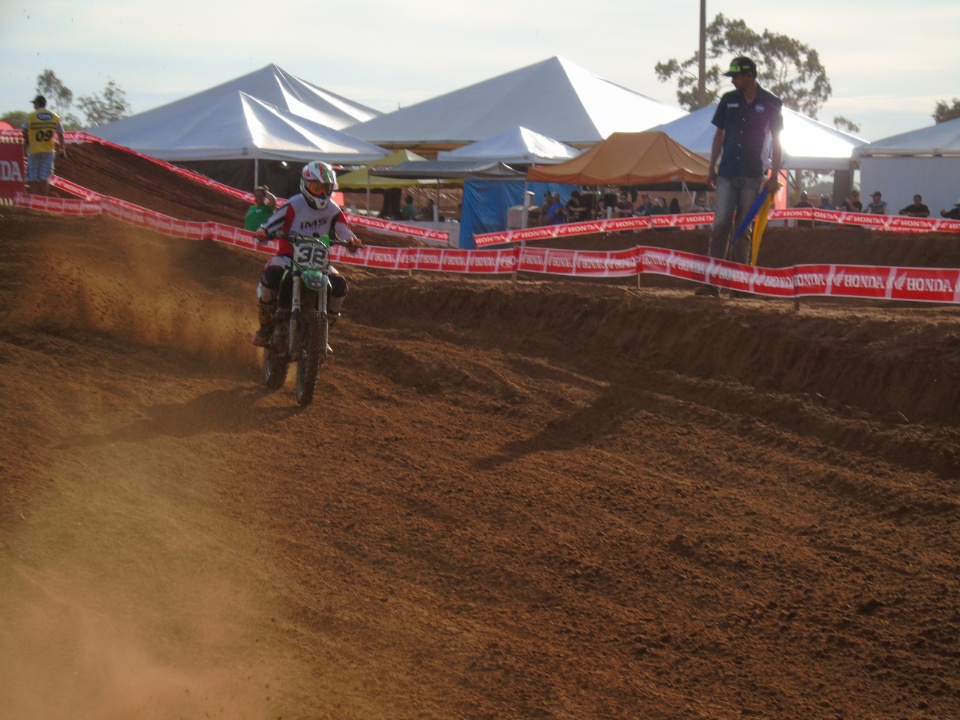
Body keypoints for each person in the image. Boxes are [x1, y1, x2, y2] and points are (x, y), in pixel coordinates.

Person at [252, 161, 361, 347]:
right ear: (305, 185)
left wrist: (352, 242)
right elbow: (269, 226)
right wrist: (264, 232)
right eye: (316, 187)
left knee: (340, 285)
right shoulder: (293, 205)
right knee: (270, 276)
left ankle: (322, 329)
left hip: (319, 261)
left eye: (325, 188)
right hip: (288, 257)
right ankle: (265, 325)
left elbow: (346, 232)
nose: (321, 193)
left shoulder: (333, 209)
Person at [699, 56, 783, 296]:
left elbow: (777, 143)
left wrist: (773, 176)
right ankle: (711, 282)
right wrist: (711, 167)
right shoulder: (728, 100)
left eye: (736, 76)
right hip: (726, 172)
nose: (733, 80)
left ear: (749, 75)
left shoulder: (770, 103)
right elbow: (719, 135)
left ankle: (741, 284)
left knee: (743, 228)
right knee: (721, 225)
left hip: (753, 174)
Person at [21, 95, 66, 196]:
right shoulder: (55, 116)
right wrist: (62, 149)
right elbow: (61, 134)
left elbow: (24, 131)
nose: (33, 106)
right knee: (44, 177)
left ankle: (34, 200)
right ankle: (43, 201)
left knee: (33, 177)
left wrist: (27, 142)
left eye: (34, 104)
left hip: (34, 150)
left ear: (37, 103)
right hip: (49, 150)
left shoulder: (31, 116)